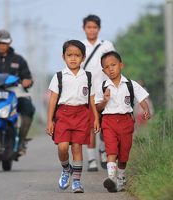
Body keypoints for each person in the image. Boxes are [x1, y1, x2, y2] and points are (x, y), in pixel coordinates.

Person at [46, 40, 100, 193]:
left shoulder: (88, 77)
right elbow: (53, 99)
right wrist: (50, 120)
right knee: (63, 147)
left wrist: (95, 118)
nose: (73, 58)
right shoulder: (59, 76)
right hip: (63, 115)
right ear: (63, 57)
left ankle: (76, 181)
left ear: (83, 58)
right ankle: (65, 169)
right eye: (69, 55)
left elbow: (92, 99)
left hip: (82, 115)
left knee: (77, 147)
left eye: (77, 55)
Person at [95, 51, 151, 192]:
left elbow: (142, 98)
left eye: (113, 65)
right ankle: (111, 178)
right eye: (107, 67)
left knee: (124, 152)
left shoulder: (130, 84)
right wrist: (105, 100)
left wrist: (146, 109)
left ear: (121, 65)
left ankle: (121, 177)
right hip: (108, 121)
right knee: (111, 149)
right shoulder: (102, 87)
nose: (111, 69)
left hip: (126, 121)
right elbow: (97, 107)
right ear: (103, 70)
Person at [82, 14, 115, 171]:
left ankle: (103, 150)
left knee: (105, 124)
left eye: (95, 27)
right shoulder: (79, 46)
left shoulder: (106, 45)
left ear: (99, 29)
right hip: (87, 92)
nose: (92, 30)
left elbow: (113, 65)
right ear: (84, 29)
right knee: (90, 126)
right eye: (89, 27)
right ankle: (91, 159)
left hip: (105, 90)